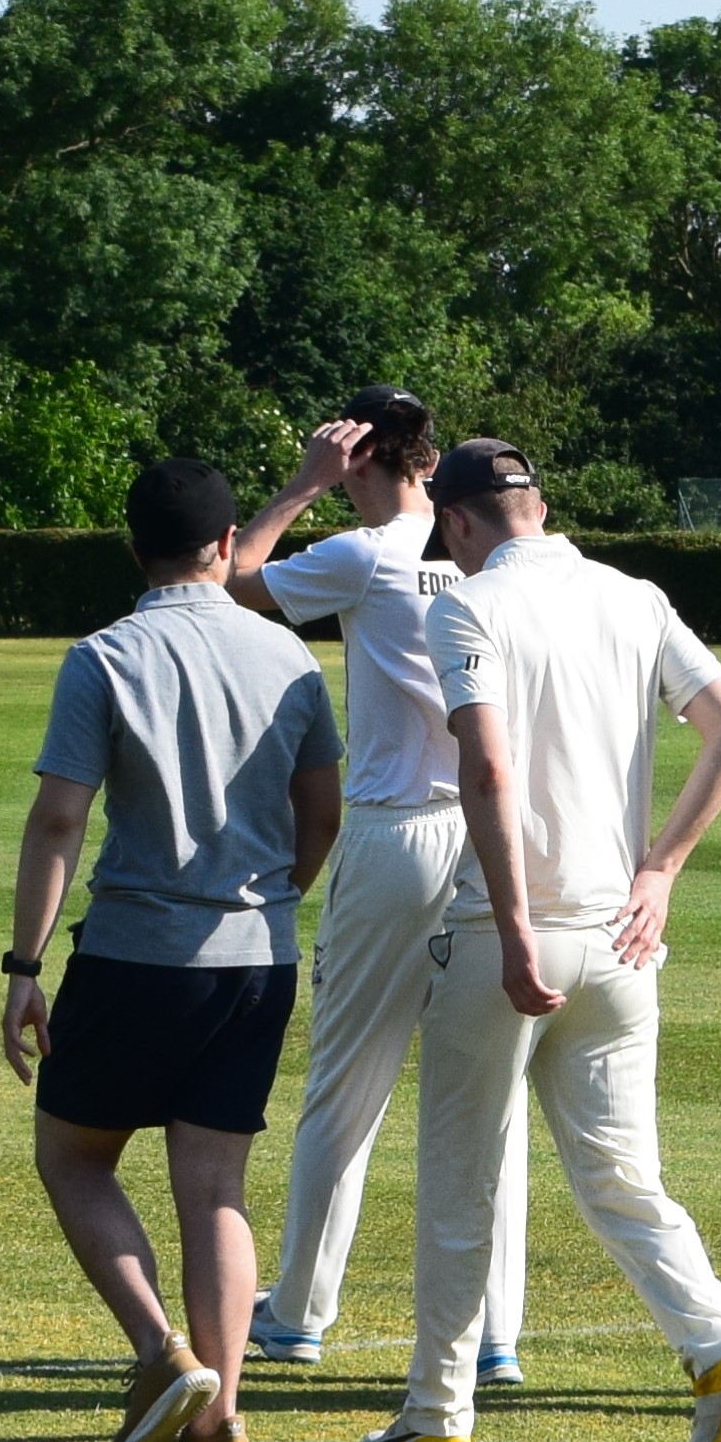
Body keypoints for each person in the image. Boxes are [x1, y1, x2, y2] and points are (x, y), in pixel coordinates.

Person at [343, 439, 721, 1442]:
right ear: (536, 505)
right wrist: (663, 867)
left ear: (456, 523)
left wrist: (508, 919)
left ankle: (438, 1416)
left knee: (461, 1178)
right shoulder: (634, 594)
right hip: (623, 936)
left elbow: (488, 765)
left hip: (515, 931)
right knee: (625, 1179)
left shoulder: (465, 605)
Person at [2, 458, 341, 1442]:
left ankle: (163, 1353)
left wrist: (23, 962)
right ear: (227, 539)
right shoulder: (288, 655)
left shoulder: (103, 654)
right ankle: (223, 1424)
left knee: (73, 1155)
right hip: (256, 957)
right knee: (216, 1188)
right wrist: (274, 895)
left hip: (136, 951)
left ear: (130, 544)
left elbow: (62, 816)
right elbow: (320, 808)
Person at [218, 387, 526, 1383]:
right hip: (497, 833)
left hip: (399, 832)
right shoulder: (483, 541)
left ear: (356, 456)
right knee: (494, 1091)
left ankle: (301, 1307)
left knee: (346, 1083)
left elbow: (234, 578)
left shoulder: (370, 547)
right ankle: (494, 1332)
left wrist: (300, 486)